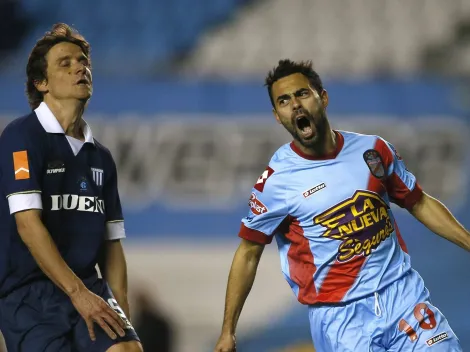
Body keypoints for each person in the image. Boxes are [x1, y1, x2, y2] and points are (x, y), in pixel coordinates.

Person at [214, 59, 469, 352]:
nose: (295, 105)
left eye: (302, 94)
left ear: (323, 97)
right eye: (284, 101)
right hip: (340, 319)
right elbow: (248, 252)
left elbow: (419, 202)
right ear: (277, 116)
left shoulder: (372, 150)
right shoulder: (276, 181)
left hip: (403, 295)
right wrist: (227, 331)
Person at [0, 23, 142, 352]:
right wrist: (77, 294)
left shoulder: (101, 157)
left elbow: (112, 245)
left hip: (89, 286)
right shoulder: (21, 137)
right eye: (65, 63)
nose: (80, 67)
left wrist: (123, 317)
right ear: (41, 83)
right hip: (30, 293)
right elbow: (27, 224)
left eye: (83, 61)